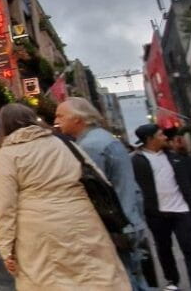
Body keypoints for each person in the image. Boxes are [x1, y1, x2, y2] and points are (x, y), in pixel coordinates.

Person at [0, 104, 129, 290]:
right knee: (97, 277)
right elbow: (99, 178)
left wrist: (6, 248)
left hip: (37, 228)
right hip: (82, 217)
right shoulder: (64, 143)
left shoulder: (8, 154)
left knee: (48, 280)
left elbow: (4, 205)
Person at [55, 97, 149, 290]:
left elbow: (93, 190)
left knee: (122, 280)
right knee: (133, 275)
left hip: (117, 224)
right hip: (128, 219)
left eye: (60, 116)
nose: (56, 120)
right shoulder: (101, 138)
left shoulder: (91, 146)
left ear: (77, 119)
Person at [132, 124, 191, 291]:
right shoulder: (135, 161)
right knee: (164, 249)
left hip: (182, 211)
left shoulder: (175, 157)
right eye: (160, 135)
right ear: (150, 139)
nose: (165, 137)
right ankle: (172, 280)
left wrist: (184, 151)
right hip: (156, 214)